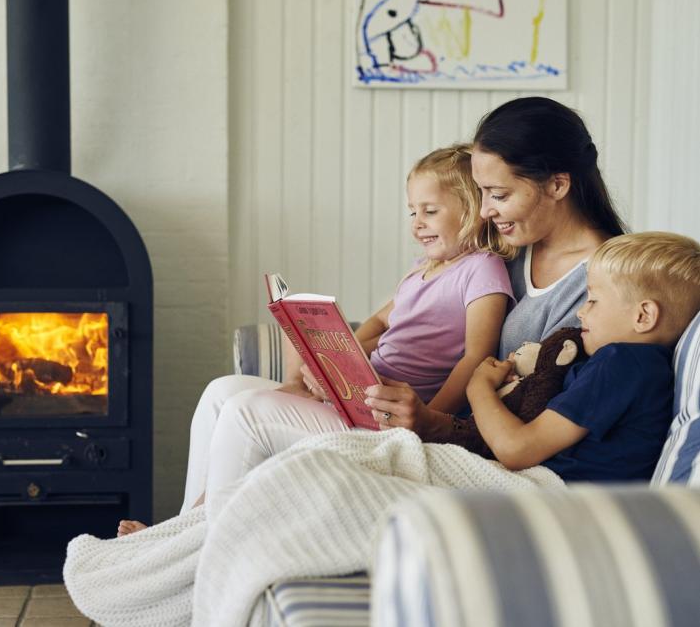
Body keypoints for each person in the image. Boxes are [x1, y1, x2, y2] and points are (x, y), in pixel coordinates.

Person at [118, 144, 516, 535]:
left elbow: (475, 359)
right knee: (222, 391)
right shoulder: (423, 270)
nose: (417, 223)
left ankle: (197, 537)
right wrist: (341, 357)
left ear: (471, 209)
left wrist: (427, 422)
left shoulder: (482, 270)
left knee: (245, 410)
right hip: (358, 398)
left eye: (430, 211)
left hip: (385, 424)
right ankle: (186, 526)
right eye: (413, 211)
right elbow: (379, 321)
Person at [363, 96, 628, 440]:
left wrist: (432, 421)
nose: (484, 210)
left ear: (557, 185)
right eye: (480, 193)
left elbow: (545, 414)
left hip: (480, 445)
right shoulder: (505, 248)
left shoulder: (603, 283)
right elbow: (403, 316)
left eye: (498, 195)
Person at [466, 232, 700, 481]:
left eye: (593, 300)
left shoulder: (621, 362)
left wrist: (479, 387)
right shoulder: (648, 368)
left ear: (643, 316)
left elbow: (516, 450)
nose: (580, 312)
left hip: (554, 489)